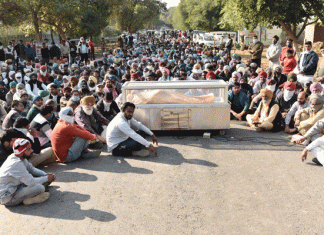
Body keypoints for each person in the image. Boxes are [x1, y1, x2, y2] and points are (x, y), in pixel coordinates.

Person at [0, 138, 56, 206]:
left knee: (42, 180)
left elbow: (32, 169)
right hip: (8, 198)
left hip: (16, 186)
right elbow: (31, 182)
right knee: (40, 188)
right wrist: (47, 178)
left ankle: (30, 195)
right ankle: (27, 200)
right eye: (29, 149)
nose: (32, 150)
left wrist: (46, 175)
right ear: (22, 151)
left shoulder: (18, 157)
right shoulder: (16, 163)